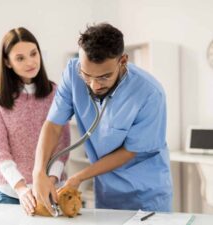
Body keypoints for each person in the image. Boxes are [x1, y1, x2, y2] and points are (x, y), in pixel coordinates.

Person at [32, 23, 173, 214]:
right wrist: (38, 171)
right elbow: (54, 124)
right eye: (87, 75)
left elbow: (129, 151)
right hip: (107, 192)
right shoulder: (73, 74)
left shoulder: (149, 93)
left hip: (145, 195)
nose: (94, 85)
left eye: (104, 77)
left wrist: (78, 177)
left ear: (122, 61)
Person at [0, 27, 70, 215]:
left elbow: (62, 144)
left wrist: (50, 181)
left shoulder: (55, 92)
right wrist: (21, 188)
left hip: (52, 189)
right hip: (9, 192)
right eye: (20, 58)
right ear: (7, 62)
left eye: (33, 53)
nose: (31, 62)